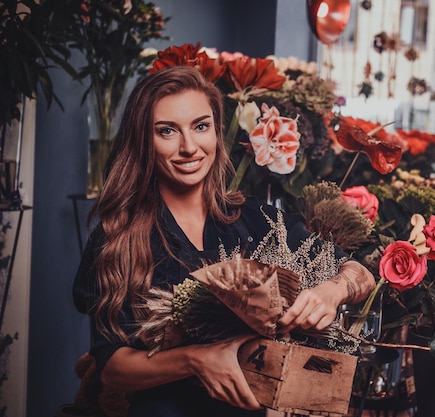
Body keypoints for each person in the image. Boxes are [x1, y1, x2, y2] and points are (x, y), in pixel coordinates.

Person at [72, 65, 375, 417]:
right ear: (143, 142)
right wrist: (195, 360)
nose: (189, 147)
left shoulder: (257, 220)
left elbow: (361, 273)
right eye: (167, 131)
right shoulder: (118, 236)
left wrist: (331, 291)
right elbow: (111, 365)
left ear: (217, 131)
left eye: (201, 126)